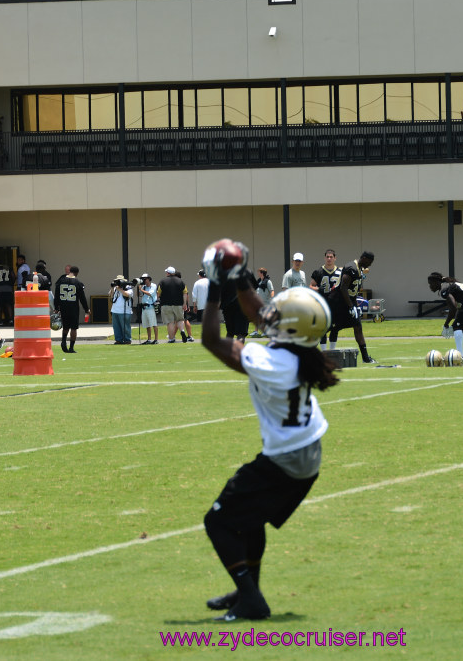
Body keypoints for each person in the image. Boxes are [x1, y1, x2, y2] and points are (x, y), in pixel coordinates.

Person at [199, 240, 338, 623]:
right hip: (307, 452)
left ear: (288, 326)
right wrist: (241, 278)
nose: (270, 315)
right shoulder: (300, 348)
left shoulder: (270, 361)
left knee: (219, 521)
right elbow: (264, 317)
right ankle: (249, 591)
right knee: (250, 518)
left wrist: (215, 284)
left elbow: (212, 339)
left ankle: (251, 600)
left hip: (287, 458)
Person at [325, 251, 376, 364]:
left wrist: (355, 305)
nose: (370, 264)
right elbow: (343, 288)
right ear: (363, 258)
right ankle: (307, 349)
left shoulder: (359, 268)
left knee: (357, 326)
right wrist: (351, 306)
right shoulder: (351, 268)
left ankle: (365, 358)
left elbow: (353, 290)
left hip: (348, 301)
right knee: (328, 327)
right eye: (369, 261)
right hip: (338, 302)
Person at [427, 272, 463, 361]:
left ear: (437, 282)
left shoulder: (444, 289)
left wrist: (446, 324)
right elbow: (457, 307)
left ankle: (459, 356)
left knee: (457, 327)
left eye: (431, 284)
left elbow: (453, 307)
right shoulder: (450, 285)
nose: (430, 287)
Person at [54, 266, 90, 352]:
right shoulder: (78, 282)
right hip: (73, 308)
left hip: (63, 307)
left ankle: (63, 342)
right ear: (77, 273)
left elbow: (57, 295)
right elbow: (82, 298)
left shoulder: (61, 281)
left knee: (65, 326)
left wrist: (56, 307)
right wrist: (86, 309)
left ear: (69, 271)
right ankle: (71, 348)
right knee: (74, 328)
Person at [157, 266, 190, 343]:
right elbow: (185, 293)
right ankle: (182, 331)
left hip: (166, 305)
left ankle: (171, 339)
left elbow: (158, 294)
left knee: (170, 322)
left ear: (168, 273)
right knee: (180, 320)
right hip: (178, 304)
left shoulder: (163, 281)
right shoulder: (180, 281)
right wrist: (184, 303)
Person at [109, 274, 133, 345]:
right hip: (115, 310)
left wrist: (120, 289)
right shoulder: (115, 288)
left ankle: (127, 340)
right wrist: (112, 288)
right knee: (116, 327)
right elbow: (110, 295)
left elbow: (127, 294)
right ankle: (118, 340)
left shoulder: (128, 287)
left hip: (125, 311)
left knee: (125, 327)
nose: (118, 282)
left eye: (119, 281)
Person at [137, 274, 159, 344]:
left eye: (145, 279)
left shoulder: (153, 285)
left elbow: (150, 294)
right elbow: (138, 295)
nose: (144, 280)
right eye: (143, 279)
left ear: (149, 279)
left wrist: (141, 289)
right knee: (147, 324)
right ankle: (149, 339)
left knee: (153, 324)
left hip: (151, 307)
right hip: (144, 308)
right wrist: (138, 288)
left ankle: (156, 339)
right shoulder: (143, 287)